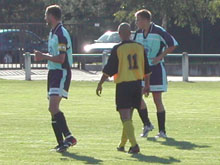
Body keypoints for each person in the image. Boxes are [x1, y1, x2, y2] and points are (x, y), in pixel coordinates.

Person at [96, 23, 151, 154]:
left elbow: (110, 68)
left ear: (119, 34)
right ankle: (122, 144)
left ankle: (134, 145)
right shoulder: (139, 47)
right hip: (137, 84)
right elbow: (147, 69)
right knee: (128, 116)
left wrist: (100, 83)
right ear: (130, 33)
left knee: (125, 116)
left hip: (124, 85)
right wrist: (147, 85)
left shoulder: (118, 49)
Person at [34, 4, 77, 152]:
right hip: (53, 73)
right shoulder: (53, 32)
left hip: (61, 72)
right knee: (52, 109)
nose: (45, 18)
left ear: (52, 16)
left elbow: (61, 58)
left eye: (46, 15)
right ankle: (61, 142)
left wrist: (42, 56)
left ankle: (69, 137)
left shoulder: (61, 34)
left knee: (53, 107)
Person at [134, 9, 178, 138]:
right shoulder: (138, 34)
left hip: (156, 69)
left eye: (139, 20)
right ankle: (147, 124)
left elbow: (172, 44)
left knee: (157, 100)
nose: (137, 23)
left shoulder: (158, 31)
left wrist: (160, 57)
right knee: (137, 97)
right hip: (142, 70)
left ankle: (162, 131)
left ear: (146, 20)